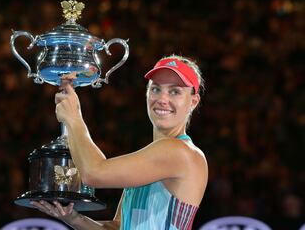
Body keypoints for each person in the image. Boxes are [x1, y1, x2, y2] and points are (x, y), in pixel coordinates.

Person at [31, 55, 208, 230]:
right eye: (155, 89)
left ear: (193, 101)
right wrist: (73, 218)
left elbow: (93, 172)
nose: (162, 99)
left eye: (174, 91)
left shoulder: (180, 152)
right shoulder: (150, 159)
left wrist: (74, 118)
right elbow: (118, 228)